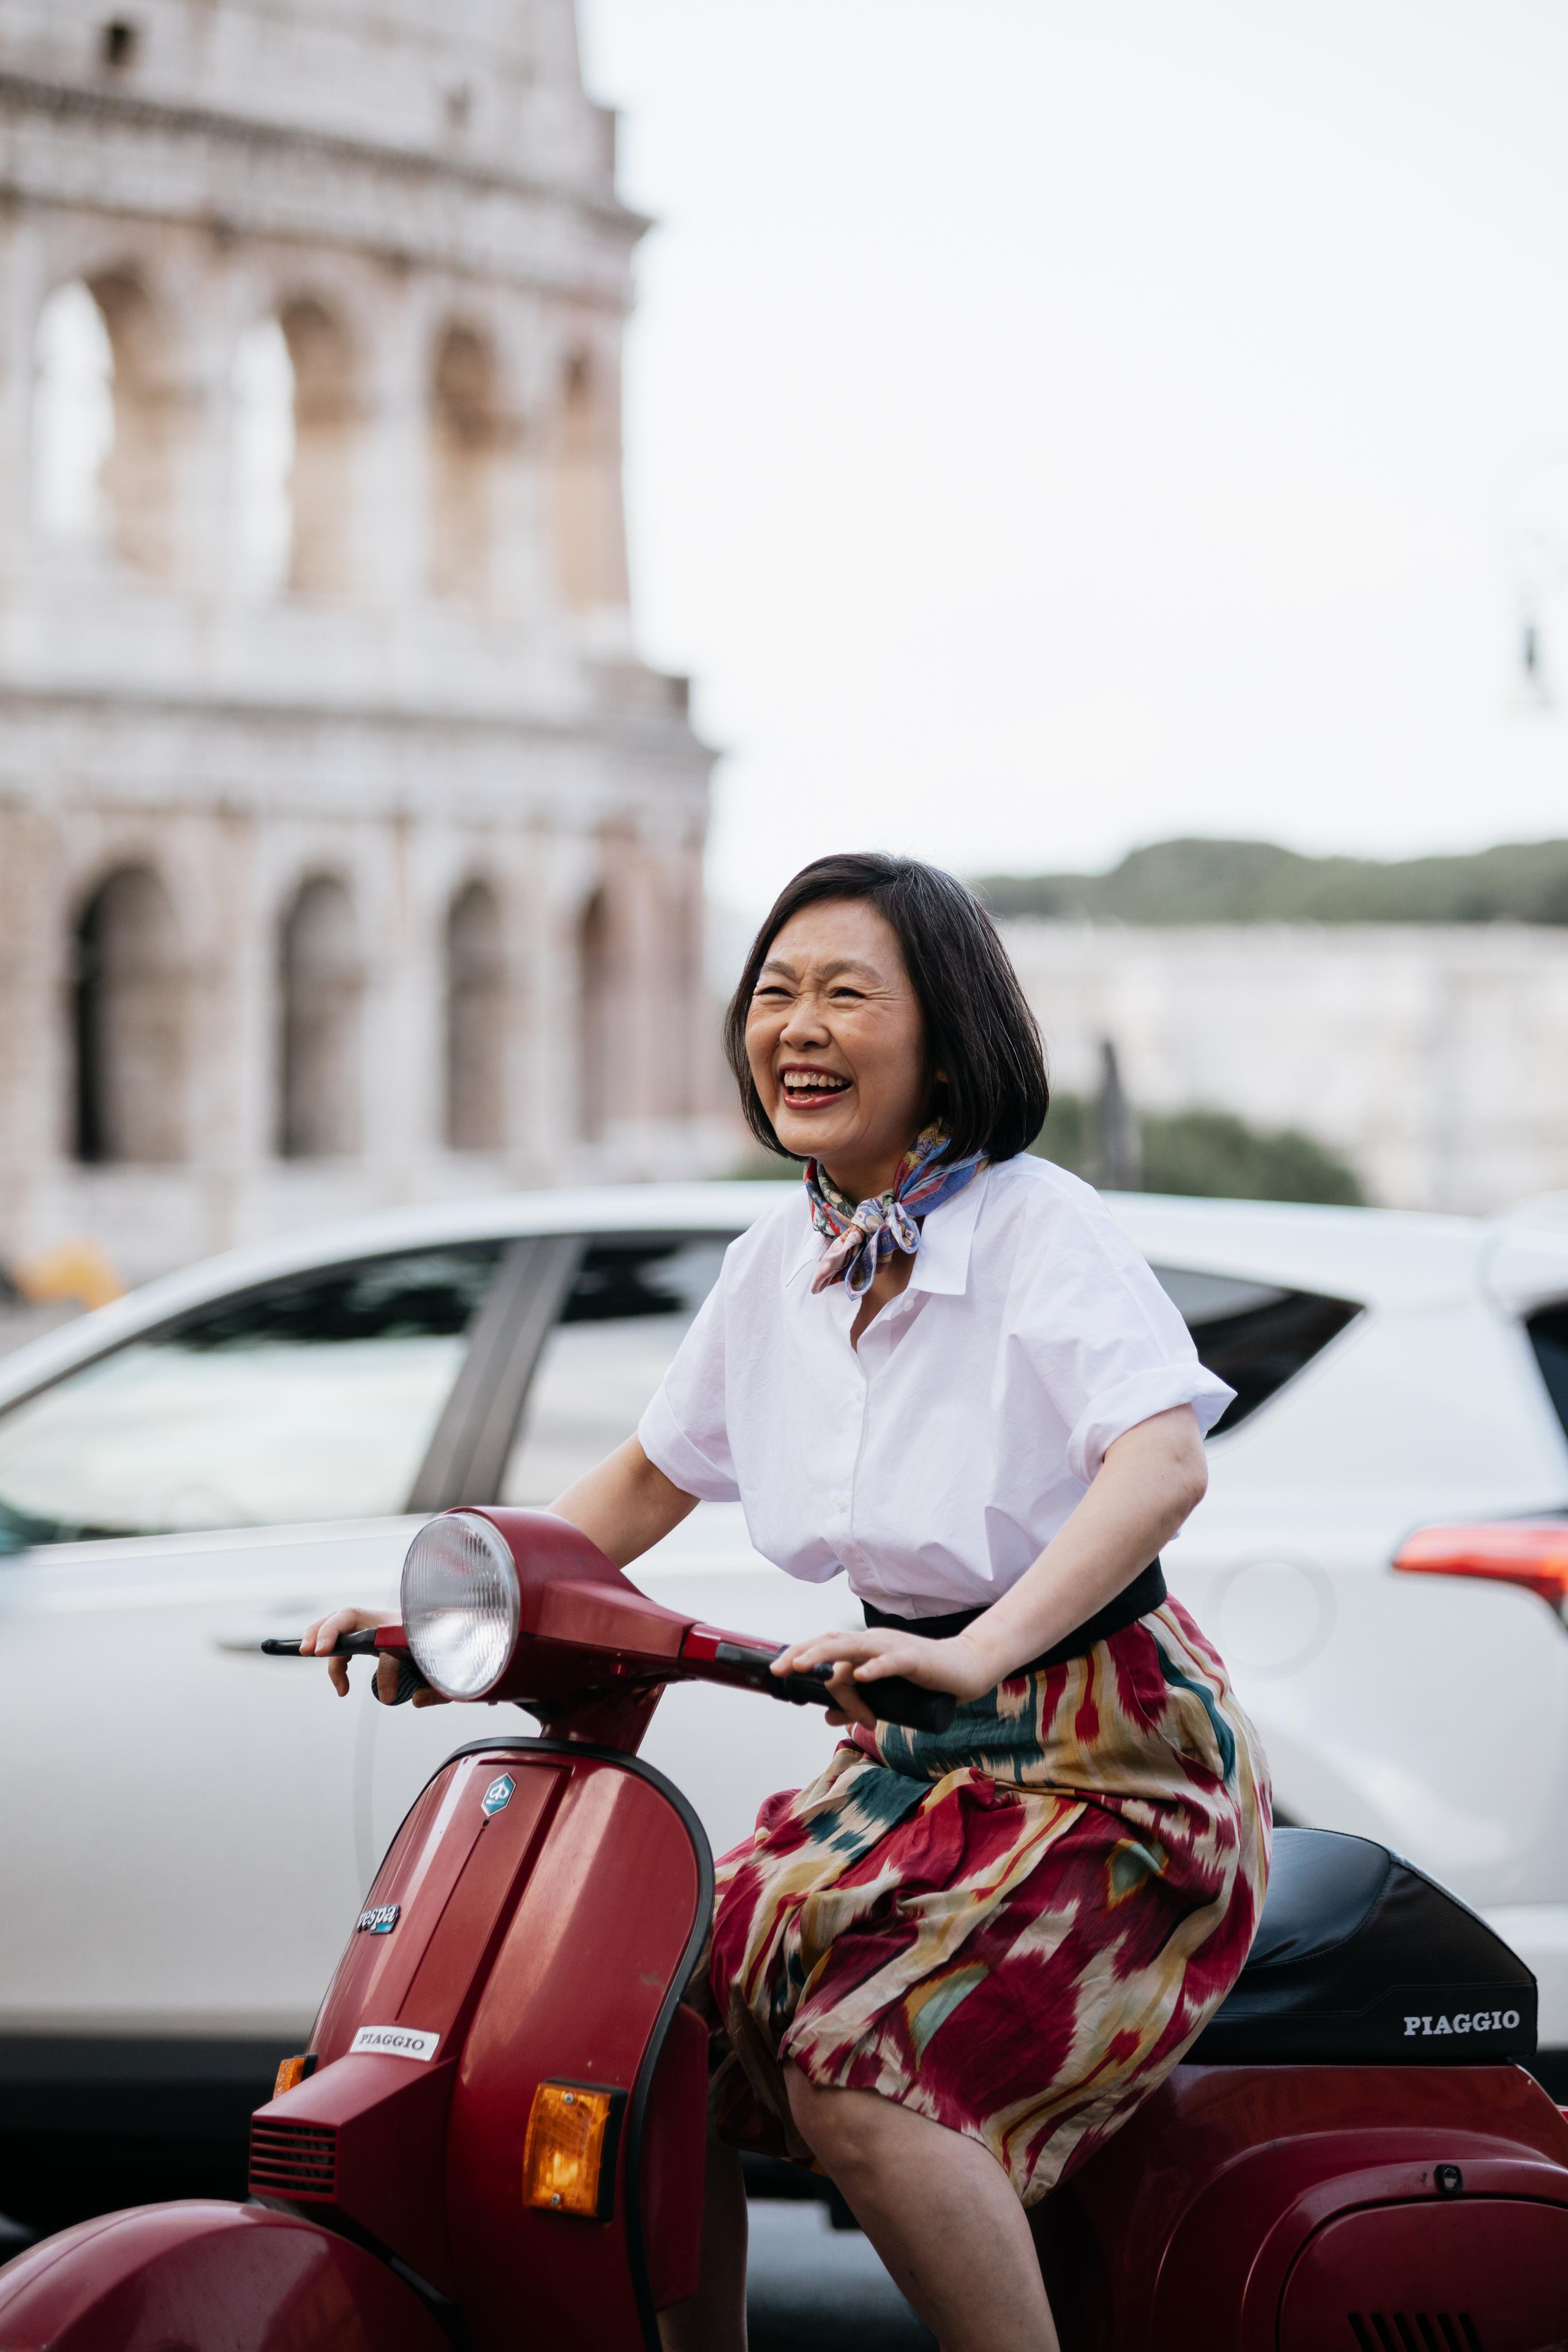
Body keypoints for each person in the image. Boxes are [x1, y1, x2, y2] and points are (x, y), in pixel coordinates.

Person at [306, 851, 1270, 2352]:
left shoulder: (1035, 1223)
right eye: (772, 993)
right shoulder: (783, 1258)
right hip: (901, 1753)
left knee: (858, 2067)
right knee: (639, 2036)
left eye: (843, 994)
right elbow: (631, 1492)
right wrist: (438, 1619)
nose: (797, 1026)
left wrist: (975, 1655)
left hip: (1103, 1756)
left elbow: (1157, 1466)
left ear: (945, 1036)